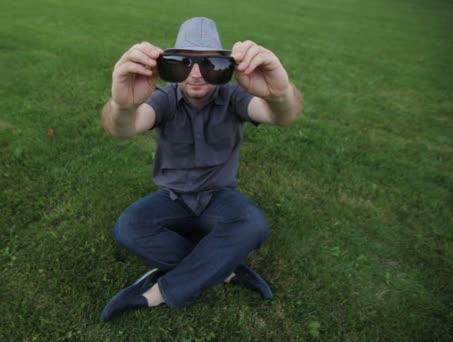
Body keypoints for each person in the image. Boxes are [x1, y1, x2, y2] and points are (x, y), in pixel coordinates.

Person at [100, 17, 303, 321]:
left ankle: (156, 293)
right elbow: (122, 127)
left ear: (226, 65)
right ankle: (227, 268)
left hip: (219, 199)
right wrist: (121, 106)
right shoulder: (164, 98)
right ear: (169, 66)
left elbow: (282, 116)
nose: (196, 75)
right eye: (183, 63)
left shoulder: (233, 96)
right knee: (128, 228)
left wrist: (280, 93)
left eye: (209, 64)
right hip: (172, 198)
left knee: (254, 225)